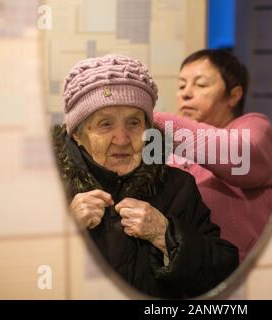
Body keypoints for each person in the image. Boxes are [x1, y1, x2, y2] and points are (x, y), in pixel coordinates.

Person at [51, 54, 238, 298]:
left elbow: (225, 273)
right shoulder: (48, 189)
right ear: (76, 134)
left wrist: (167, 236)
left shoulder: (178, 186)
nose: (122, 139)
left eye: (134, 123)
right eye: (105, 124)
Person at [154, 49, 272, 262]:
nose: (186, 93)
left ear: (234, 95)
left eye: (200, 84)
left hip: (243, 272)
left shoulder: (255, 128)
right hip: (188, 269)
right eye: (181, 85)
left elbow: (239, 155)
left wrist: (151, 118)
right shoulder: (170, 149)